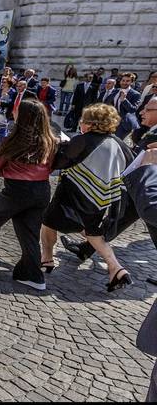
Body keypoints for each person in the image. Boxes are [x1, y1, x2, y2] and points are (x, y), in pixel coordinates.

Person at [40, 104, 134, 291]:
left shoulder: (83, 140)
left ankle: (47, 259)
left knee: (48, 222)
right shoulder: (119, 144)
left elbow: (60, 162)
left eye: (83, 120)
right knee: (94, 233)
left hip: (71, 194)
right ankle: (116, 268)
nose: (81, 123)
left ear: (91, 124)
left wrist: (59, 145)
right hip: (101, 200)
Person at [0, 99, 58, 290]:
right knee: (29, 234)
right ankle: (33, 277)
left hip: (17, 191)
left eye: (18, 110)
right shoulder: (50, 139)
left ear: (24, 116)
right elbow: (51, 166)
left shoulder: (16, 139)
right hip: (42, 191)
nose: (14, 112)